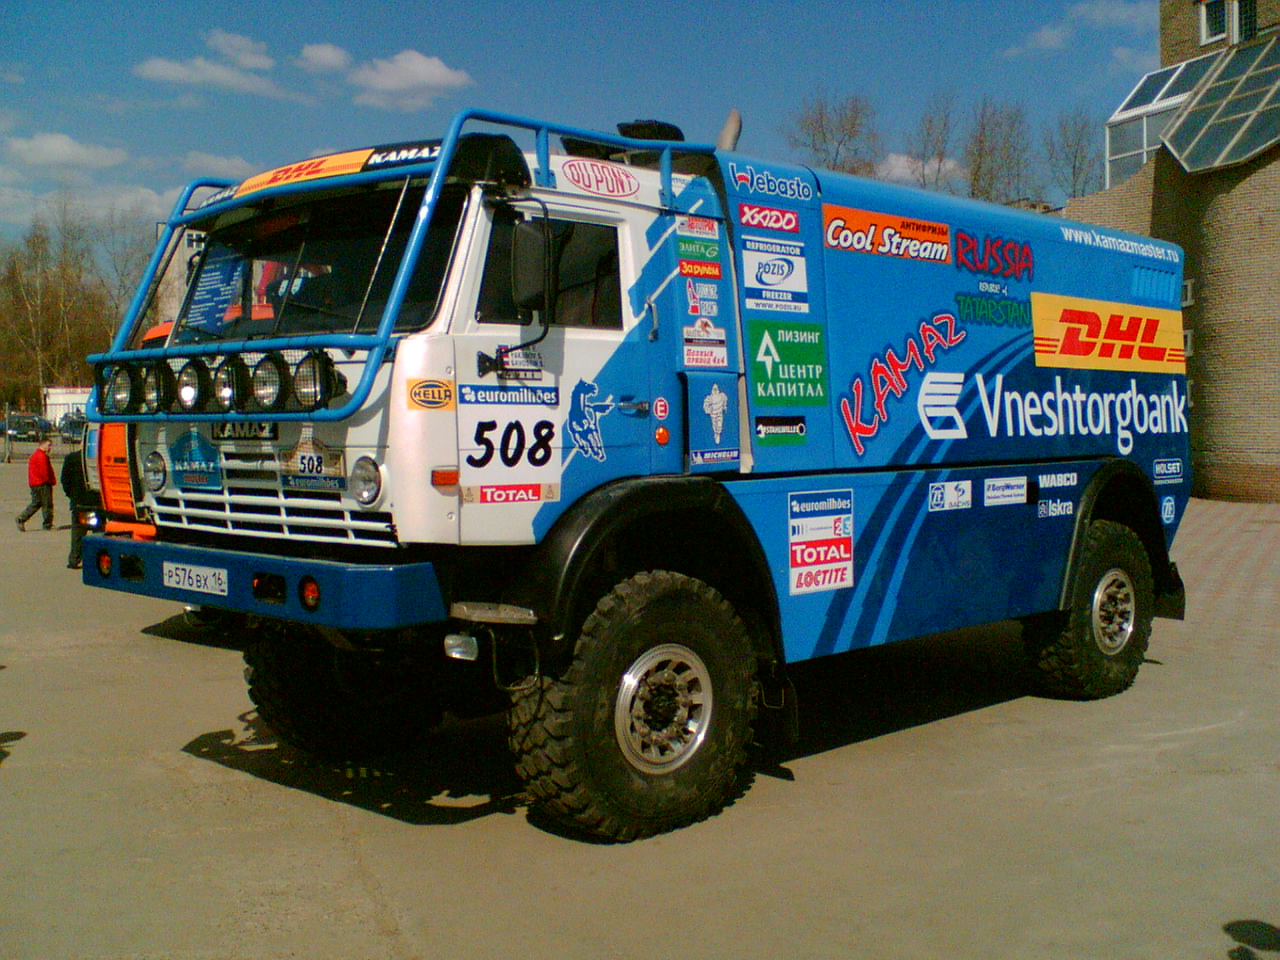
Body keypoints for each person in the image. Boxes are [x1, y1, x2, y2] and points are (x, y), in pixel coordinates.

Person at [60, 445, 93, 569]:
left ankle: (74, 559)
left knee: (78, 533)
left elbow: (65, 480)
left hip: (79, 502)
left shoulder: (72, 458)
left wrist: (71, 495)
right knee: (98, 532)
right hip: (96, 503)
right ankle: (95, 559)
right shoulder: (96, 457)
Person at [15, 436, 56, 532]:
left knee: (36, 503)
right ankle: (47, 524)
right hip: (42, 483)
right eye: (48, 445)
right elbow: (44, 471)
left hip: (35, 483)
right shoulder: (41, 456)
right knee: (47, 504)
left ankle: (21, 518)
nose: (50, 448)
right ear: (42, 445)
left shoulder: (36, 455)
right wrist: (49, 481)